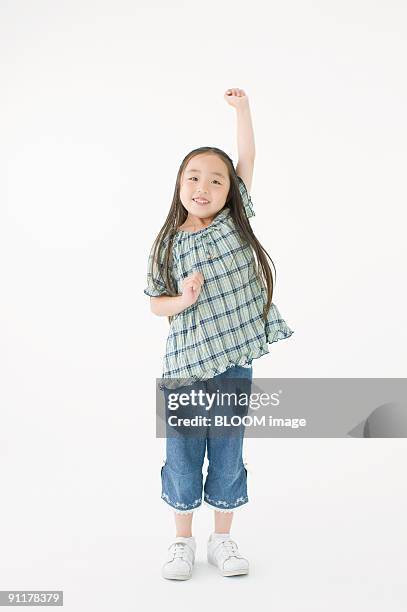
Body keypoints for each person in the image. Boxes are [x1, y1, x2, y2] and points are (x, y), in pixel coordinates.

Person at [143, 88, 294, 580]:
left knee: (228, 451)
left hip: (233, 360)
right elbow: (153, 302)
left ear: (231, 192)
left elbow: (248, 156)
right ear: (179, 185)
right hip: (186, 365)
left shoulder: (232, 222)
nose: (204, 186)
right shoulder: (167, 243)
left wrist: (243, 110)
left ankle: (223, 540)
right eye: (194, 178)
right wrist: (182, 299)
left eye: (216, 180)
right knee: (183, 456)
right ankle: (181, 542)